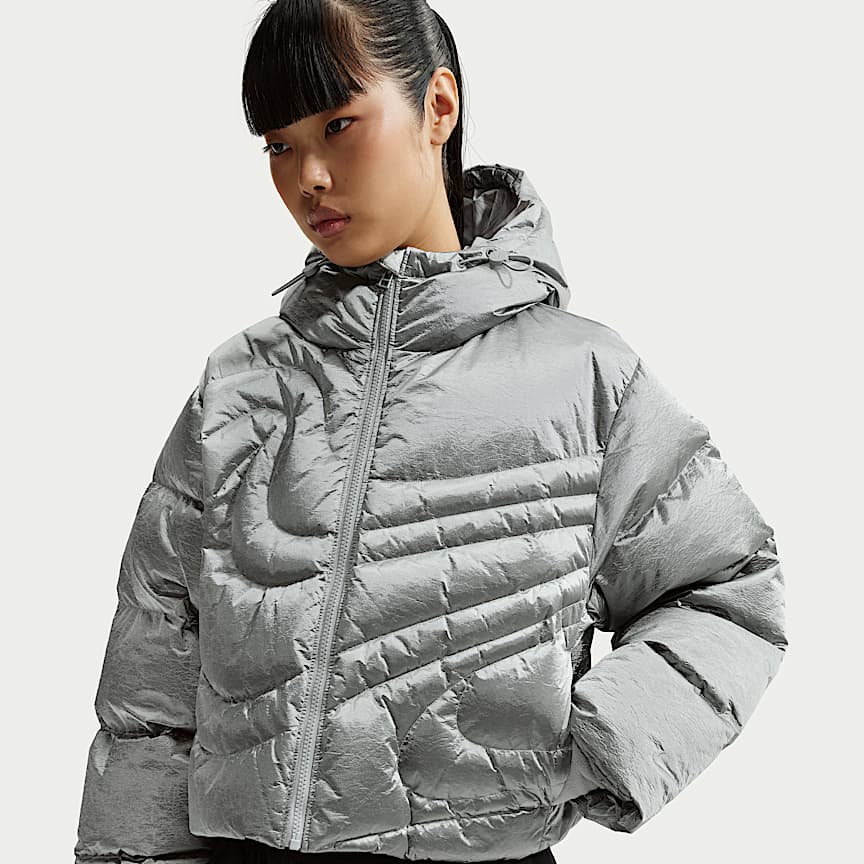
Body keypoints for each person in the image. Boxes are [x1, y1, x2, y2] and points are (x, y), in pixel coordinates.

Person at [73, 2, 788, 863]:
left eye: (338, 125)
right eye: (279, 146)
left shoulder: (583, 377)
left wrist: (602, 746)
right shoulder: (240, 383)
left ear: (437, 107)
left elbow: (728, 587)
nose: (309, 177)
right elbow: (154, 668)